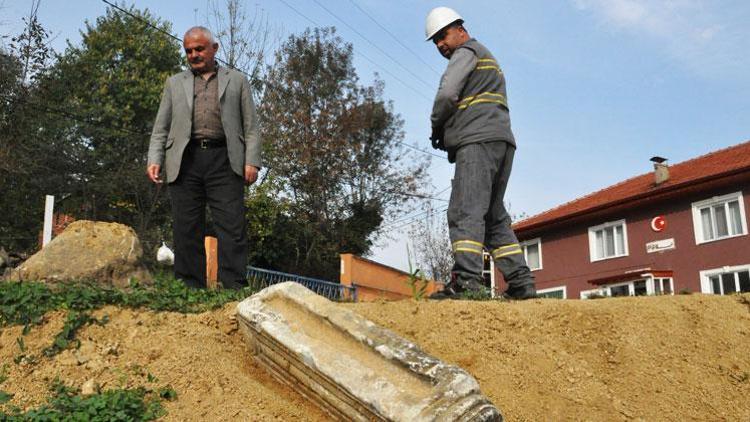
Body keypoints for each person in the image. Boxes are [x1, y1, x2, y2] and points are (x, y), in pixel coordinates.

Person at [425, 7, 536, 300]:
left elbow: (448, 94)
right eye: (435, 41)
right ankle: (522, 283)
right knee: (493, 217)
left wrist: (437, 127)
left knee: (465, 210)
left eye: (443, 36)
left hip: (478, 142)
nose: (440, 45)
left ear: (460, 29)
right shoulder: (488, 58)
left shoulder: (466, 52)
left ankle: (467, 282)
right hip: (502, 142)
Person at [147, 26, 261, 289]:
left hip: (225, 160)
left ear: (214, 48)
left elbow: (251, 126)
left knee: (232, 227)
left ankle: (233, 287)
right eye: (188, 50)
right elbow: (161, 126)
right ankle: (189, 288)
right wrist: (155, 158)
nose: (194, 54)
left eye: (199, 49)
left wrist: (251, 161)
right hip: (185, 161)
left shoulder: (238, 80)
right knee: (186, 228)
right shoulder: (174, 83)